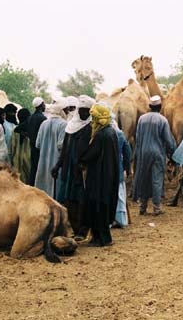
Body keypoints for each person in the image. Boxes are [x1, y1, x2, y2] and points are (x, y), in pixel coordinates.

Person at [52, 96, 94, 240]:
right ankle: (76, 229)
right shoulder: (71, 126)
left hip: (83, 170)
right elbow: (65, 148)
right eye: (81, 111)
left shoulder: (91, 128)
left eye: (86, 111)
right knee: (69, 200)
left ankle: (83, 230)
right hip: (69, 168)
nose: (83, 114)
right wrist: (58, 165)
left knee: (83, 200)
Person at [78, 104, 119, 247]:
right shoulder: (111, 132)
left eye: (94, 118)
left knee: (97, 205)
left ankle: (102, 239)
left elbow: (91, 154)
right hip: (108, 175)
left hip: (99, 176)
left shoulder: (101, 135)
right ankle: (99, 237)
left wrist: (81, 159)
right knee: (102, 204)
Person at [132, 95, 176, 215]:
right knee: (157, 179)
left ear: (150, 106)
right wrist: (172, 153)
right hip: (157, 153)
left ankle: (142, 207)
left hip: (143, 153)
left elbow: (137, 137)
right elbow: (168, 139)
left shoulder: (142, 119)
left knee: (143, 178)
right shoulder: (162, 120)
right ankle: (157, 207)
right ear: (160, 106)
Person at [34, 101, 67, 198]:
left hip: (43, 163)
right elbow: (61, 146)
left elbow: (38, 144)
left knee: (43, 192)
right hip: (56, 163)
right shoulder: (63, 124)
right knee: (55, 192)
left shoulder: (44, 123)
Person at [109, 107, 132, 227]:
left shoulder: (101, 133)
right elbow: (127, 153)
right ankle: (121, 220)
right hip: (118, 170)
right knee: (120, 196)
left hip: (105, 172)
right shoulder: (119, 134)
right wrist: (128, 169)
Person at [18, 97, 46, 185]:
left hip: (32, 148)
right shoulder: (43, 119)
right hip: (40, 149)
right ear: (41, 105)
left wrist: (28, 135)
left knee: (33, 170)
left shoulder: (30, 118)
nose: (45, 106)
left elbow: (18, 129)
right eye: (44, 104)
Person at [11, 108, 32, 182]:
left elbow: (12, 147)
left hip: (17, 159)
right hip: (29, 159)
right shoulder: (31, 130)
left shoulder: (15, 130)